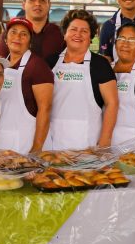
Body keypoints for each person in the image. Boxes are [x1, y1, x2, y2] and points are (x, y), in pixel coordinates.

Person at [48, 9, 118, 149]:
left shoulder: (100, 65)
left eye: (84, 31)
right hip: (52, 141)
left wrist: (104, 141)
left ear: (91, 36)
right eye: (73, 29)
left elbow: (112, 103)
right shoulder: (50, 62)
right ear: (65, 34)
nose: (78, 34)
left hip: (87, 144)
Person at [0, 17, 54, 154]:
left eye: (24, 34)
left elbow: (45, 108)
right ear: (5, 39)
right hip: (1, 141)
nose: (17, 37)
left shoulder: (37, 67)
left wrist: (36, 149)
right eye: (13, 32)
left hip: (25, 143)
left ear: (30, 42)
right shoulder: (0, 65)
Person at [0, 0, 65, 62]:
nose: (37, 4)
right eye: (32, 0)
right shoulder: (11, 33)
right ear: (23, 5)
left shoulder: (60, 34)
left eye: (42, 0)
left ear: (49, 5)